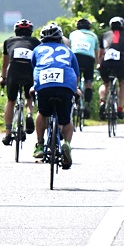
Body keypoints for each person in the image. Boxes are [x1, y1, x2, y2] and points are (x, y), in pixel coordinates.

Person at [31, 23, 81, 168]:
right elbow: (76, 73)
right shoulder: (68, 50)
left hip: (44, 84)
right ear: (60, 38)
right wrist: (75, 89)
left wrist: (34, 87)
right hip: (66, 84)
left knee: (42, 112)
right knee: (66, 121)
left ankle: (40, 145)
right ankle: (67, 145)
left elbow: (35, 70)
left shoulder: (37, 50)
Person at [0, 19, 41, 145]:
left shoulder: (8, 41)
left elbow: (4, 64)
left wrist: (3, 78)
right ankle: (29, 114)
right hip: (29, 70)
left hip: (14, 69)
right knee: (29, 97)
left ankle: (7, 133)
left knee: (11, 101)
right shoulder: (36, 42)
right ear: (30, 32)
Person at [98, 16, 124, 120]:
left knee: (105, 83)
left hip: (106, 62)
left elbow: (101, 53)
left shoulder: (104, 35)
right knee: (122, 83)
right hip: (120, 62)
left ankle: (102, 102)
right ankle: (120, 109)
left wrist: (99, 63)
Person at [68, 18, 100, 118]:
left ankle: (72, 100)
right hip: (88, 59)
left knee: (74, 81)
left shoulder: (73, 34)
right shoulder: (94, 35)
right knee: (88, 84)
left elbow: (69, 48)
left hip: (75, 57)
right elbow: (96, 53)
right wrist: (97, 63)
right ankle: (86, 104)